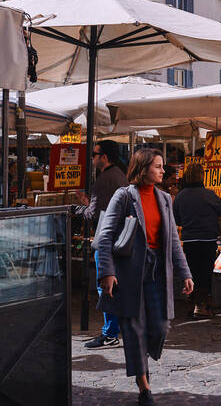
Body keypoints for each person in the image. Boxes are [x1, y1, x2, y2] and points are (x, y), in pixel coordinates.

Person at [96, 148, 193, 406]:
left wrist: (184, 273)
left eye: (162, 167)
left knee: (160, 326)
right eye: (158, 166)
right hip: (129, 272)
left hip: (158, 269)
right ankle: (144, 386)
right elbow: (105, 236)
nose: (164, 171)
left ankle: (141, 358)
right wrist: (106, 272)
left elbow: (173, 241)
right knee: (133, 328)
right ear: (143, 168)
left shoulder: (164, 199)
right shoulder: (124, 196)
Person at [79, 140, 128, 349]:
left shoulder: (103, 180)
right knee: (115, 287)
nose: (92, 158)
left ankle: (110, 333)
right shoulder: (120, 175)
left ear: (104, 157)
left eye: (94, 154)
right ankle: (115, 330)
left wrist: (80, 206)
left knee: (105, 287)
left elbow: (93, 214)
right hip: (119, 239)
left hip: (106, 240)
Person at [173, 162, 221, 317]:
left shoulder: (180, 196)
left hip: (189, 240)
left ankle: (191, 302)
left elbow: (177, 220)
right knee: (204, 272)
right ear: (201, 176)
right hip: (207, 239)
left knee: (192, 271)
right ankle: (201, 305)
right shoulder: (208, 194)